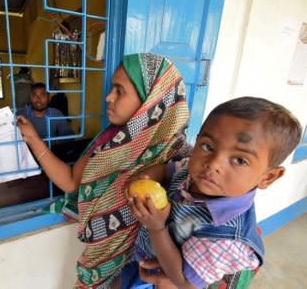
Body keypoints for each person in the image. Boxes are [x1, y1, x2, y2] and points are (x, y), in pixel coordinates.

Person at [17, 53, 190, 287]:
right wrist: (33, 138)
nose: (108, 97)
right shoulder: (109, 138)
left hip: (150, 268)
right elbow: (70, 182)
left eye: (120, 91)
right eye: (112, 89)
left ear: (152, 101)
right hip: (101, 257)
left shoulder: (178, 154)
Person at [127, 97, 302, 288]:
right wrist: (144, 178)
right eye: (208, 147)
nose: (213, 164)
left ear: (268, 177)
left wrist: (157, 228)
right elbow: (167, 170)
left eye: (240, 160)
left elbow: (184, 281)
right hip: (146, 258)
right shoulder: (194, 173)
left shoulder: (225, 238)